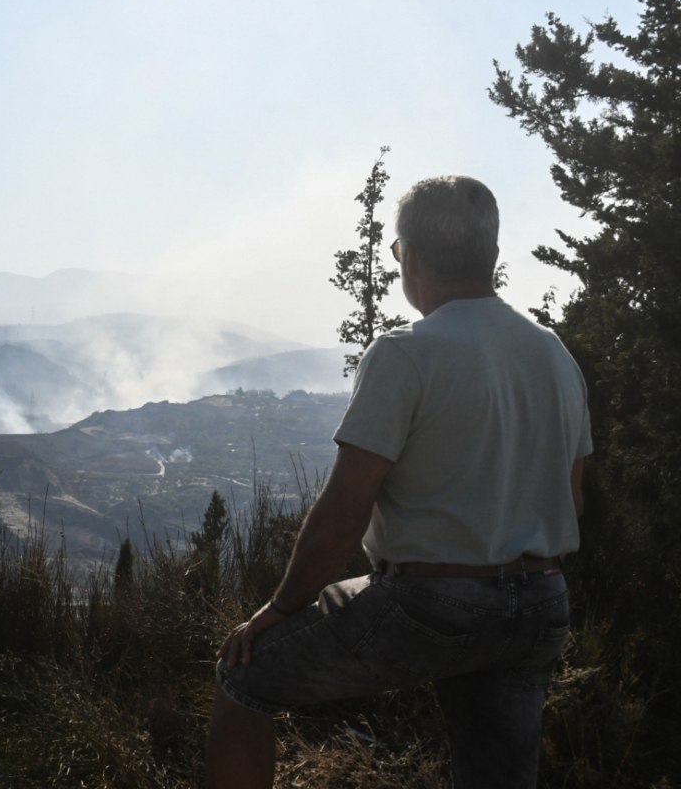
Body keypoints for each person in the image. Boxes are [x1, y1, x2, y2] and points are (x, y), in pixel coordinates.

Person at [205, 175, 591, 789]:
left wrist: (278, 610)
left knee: (242, 677)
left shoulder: (405, 352)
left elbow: (342, 517)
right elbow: (571, 499)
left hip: (432, 605)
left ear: (408, 256)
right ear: (491, 253)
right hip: (543, 603)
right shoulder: (555, 355)